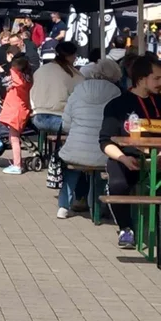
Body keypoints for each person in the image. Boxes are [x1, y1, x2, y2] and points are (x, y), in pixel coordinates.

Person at [99, 55, 161, 248]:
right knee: (118, 184)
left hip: (158, 159)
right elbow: (105, 141)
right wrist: (123, 158)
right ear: (142, 79)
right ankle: (126, 228)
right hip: (127, 158)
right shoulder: (117, 105)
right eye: (157, 78)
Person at [56, 59, 123, 220]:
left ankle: (64, 206)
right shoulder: (117, 93)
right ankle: (96, 207)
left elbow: (65, 124)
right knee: (101, 167)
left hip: (74, 150)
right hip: (103, 151)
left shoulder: (78, 90)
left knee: (71, 171)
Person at [31, 41, 83, 135]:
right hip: (60, 118)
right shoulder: (74, 74)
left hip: (37, 118)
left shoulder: (40, 70)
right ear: (71, 56)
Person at [0, 52, 32, 175]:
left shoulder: (17, 77)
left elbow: (13, 75)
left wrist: (7, 64)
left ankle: (17, 164)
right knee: (14, 137)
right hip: (21, 109)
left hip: (15, 111)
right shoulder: (27, 77)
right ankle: (17, 163)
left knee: (14, 138)